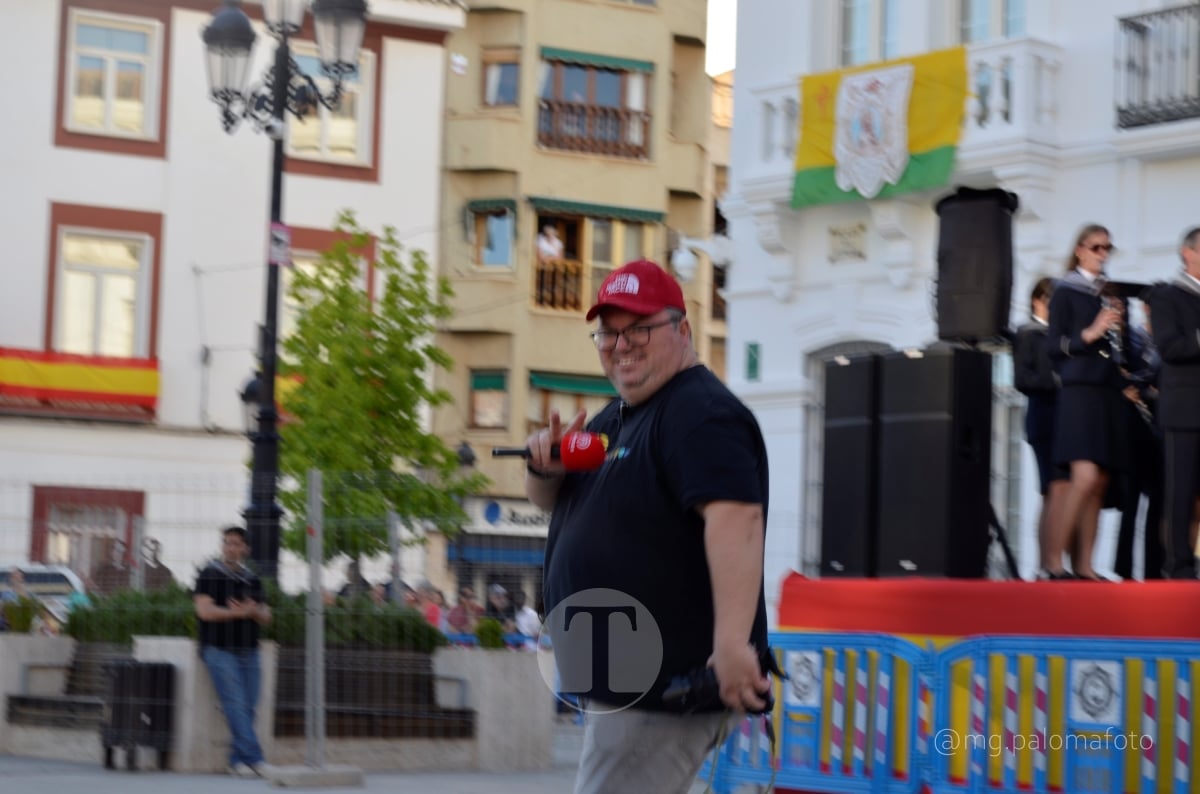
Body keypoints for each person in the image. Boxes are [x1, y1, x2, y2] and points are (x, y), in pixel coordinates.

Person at [526, 258, 772, 794]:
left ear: (682, 330)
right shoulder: (614, 418)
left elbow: (737, 520)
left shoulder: (700, 413)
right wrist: (545, 470)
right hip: (625, 683)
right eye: (608, 333)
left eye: (639, 328)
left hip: (663, 687)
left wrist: (732, 643)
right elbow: (555, 505)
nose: (621, 344)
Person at [1044, 224, 1128, 580]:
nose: (1103, 254)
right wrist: (1091, 333)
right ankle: (1052, 562)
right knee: (1084, 475)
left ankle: (1085, 565)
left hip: (1107, 391)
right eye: (1096, 247)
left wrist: (1120, 330)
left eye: (1108, 247)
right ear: (1079, 250)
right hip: (1078, 392)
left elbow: (1120, 353)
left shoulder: (1106, 294)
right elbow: (1053, 347)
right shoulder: (1065, 291)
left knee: (1100, 480)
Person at [192, 526, 273, 778]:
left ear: (245, 549)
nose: (231, 548)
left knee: (248, 706)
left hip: (249, 650)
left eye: (237, 544)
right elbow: (204, 611)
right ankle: (255, 759)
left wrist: (253, 612)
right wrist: (235, 613)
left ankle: (236, 761)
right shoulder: (210, 574)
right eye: (227, 543)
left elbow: (267, 616)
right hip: (218, 649)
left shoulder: (252, 579)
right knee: (236, 703)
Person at [1147, 227, 1200, 580]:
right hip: (1184, 408)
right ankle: (1176, 564)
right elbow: (1169, 347)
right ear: (1188, 253)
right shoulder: (1168, 296)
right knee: (1180, 491)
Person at [1013, 277, 1070, 574]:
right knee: (1052, 489)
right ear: (1036, 300)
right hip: (1044, 419)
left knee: (1062, 491)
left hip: (1065, 419)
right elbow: (1023, 380)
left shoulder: (1060, 336)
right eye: (1050, 299)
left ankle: (1054, 560)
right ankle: (1047, 562)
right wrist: (1060, 382)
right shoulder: (1027, 334)